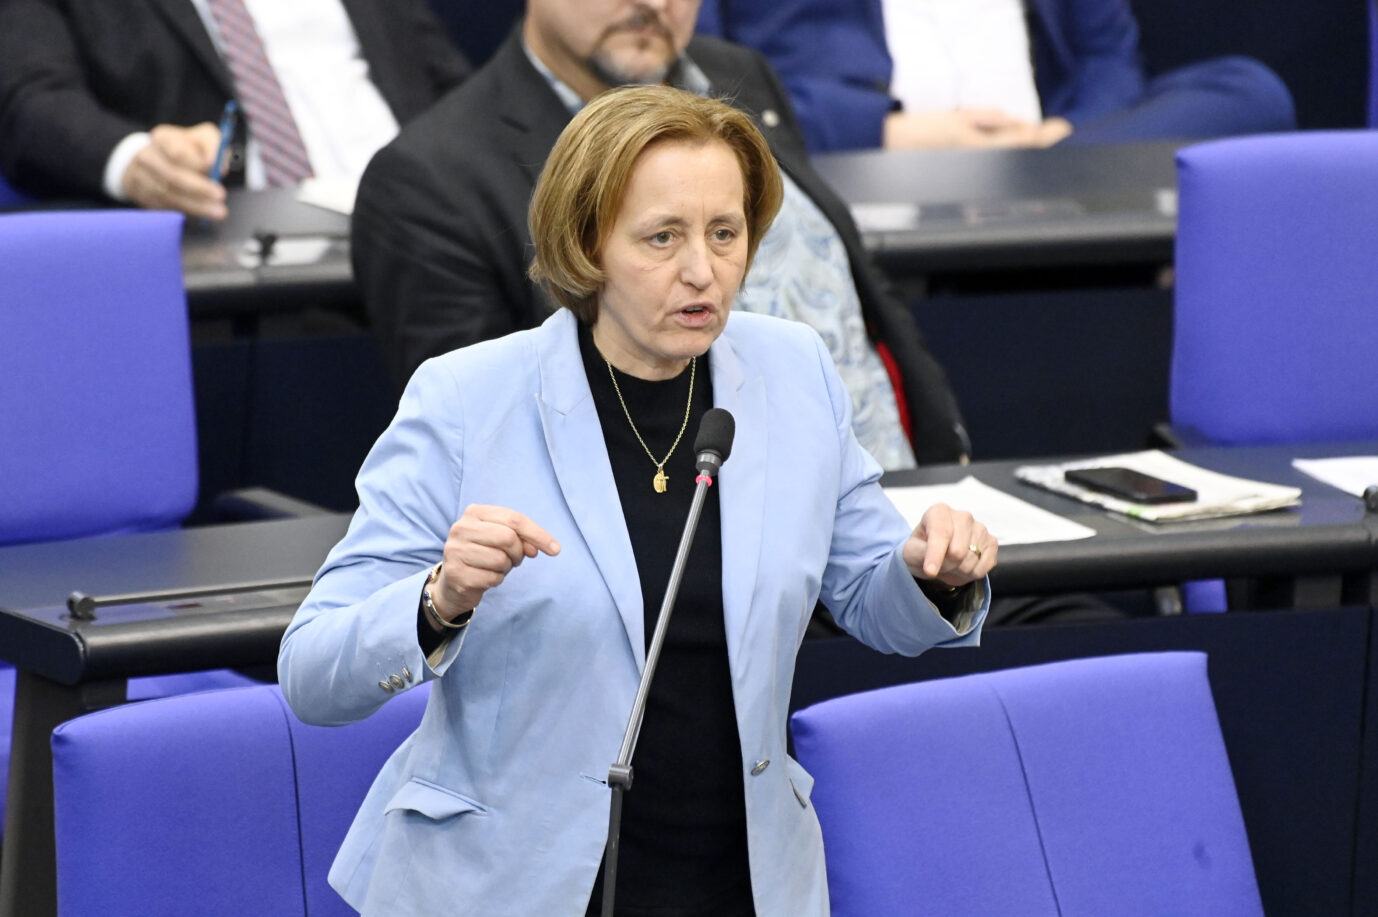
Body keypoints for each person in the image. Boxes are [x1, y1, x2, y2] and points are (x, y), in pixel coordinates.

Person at [278, 85, 994, 916]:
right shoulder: (467, 399)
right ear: (587, 245)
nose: (703, 270)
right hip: (512, 884)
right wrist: (440, 600)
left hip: (740, 876)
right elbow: (311, 673)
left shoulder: (792, 372)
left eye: (726, 234)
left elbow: (875, 601)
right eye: (663, 237)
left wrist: (930, 572)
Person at [351, 0, 969, 471]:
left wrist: (947, 458)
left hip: (901, 508)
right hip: (704, 560)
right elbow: (489, 447)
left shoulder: (738, 75)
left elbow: (851, 287)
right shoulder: (431, 180)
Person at [0, 0, 470, 219]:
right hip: (240, 249)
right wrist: (135, 160)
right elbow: (30, 101)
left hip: (421, 226)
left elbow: (455, 89)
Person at [695, 0, 1296, 153]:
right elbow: (703, 78)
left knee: (1250, 93)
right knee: (721, 126)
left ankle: (1057, 166)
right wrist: (894, 133)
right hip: (867, 164)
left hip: (1053, 163)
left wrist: (1060, 136)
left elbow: (1109, 60)